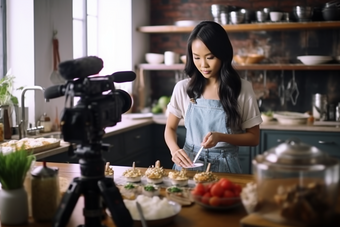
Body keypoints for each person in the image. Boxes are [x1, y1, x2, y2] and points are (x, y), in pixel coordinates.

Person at [164, 21, 262, 173]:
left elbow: (254, 138)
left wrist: (221, 137)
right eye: (196, 57)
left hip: (226, 167)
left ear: (223, 55)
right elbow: (170, 128)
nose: (203, 65)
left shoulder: (241, 89)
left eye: (210, 57)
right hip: (188, 165)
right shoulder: (183, 88)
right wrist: (174, 150)